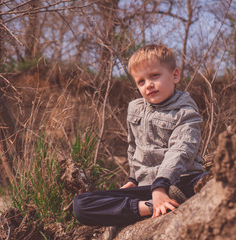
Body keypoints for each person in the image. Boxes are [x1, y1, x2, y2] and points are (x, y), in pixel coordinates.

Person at [73, 44, 208, 226]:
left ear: (175, 75)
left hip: (180, 182)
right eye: (141, 82)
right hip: (148, 188)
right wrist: (133, 179)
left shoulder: (186, 112)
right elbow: (134, 147)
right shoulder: (135, 108)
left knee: (208, 182)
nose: (148, 85)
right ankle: (149, 207)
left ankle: (170, 200)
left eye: (154, 76)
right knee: (81, 205)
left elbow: (181, 151)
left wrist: (161, 186)